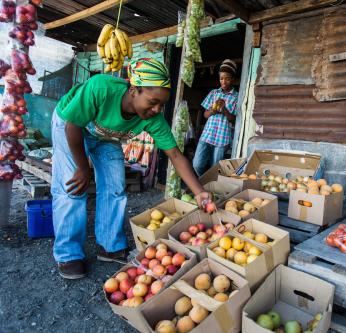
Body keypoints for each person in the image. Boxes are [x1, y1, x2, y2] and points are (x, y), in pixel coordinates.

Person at [51, 58, 212, 279]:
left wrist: (199, 192)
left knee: (115, 186)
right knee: (72, 187)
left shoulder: (153, 119)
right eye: (153, 101)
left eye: (161, 105)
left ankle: (109, 245)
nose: (156, 110)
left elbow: (175, 154)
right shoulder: (101, 88)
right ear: (134, 90)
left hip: (106, 136)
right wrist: (83, 168)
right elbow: (73, 126)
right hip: (71, 125)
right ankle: (68, 254)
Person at [192, 59, 238, 177]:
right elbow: (205, 114)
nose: (224, 81)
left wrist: (224, 110)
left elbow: (234, 119)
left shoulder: (237, 96)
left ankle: (211, 187)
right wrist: (213, 110)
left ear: (232, 79)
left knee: (215, 168)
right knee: (197, 164)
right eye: (221, 78)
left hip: (223, 137)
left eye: (227, 78)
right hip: (208, 134)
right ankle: (203, 182)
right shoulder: (214, 93)